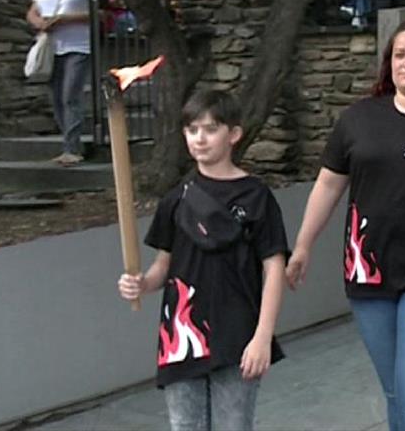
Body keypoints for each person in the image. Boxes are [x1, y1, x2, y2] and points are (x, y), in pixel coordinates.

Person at [286, 16, 405, 431]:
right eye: (399, 54)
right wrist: (302, 244)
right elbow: (327, 185)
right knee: (395, 391)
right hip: (368, 270)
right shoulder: (359, 118)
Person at [117, 90, 288, 431]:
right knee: (186, 426)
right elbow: (163, 267)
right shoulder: (176, 200)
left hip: (238, 330)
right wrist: (141, 283)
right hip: (182, 333)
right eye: (192, 130)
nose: (200, 138)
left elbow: (274, 267)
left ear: (234, 134)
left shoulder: (256, 197)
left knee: (234, 425)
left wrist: (262, 336)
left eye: (210, 129)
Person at [26, 0, 91, 167]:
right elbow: (32, 10)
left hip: (77, 45)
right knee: (56, 97)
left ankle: (71, 148)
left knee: (70, 95)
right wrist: (39, 22)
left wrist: (65, 19)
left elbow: (98, 13)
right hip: (53, 46)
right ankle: (70, 142)